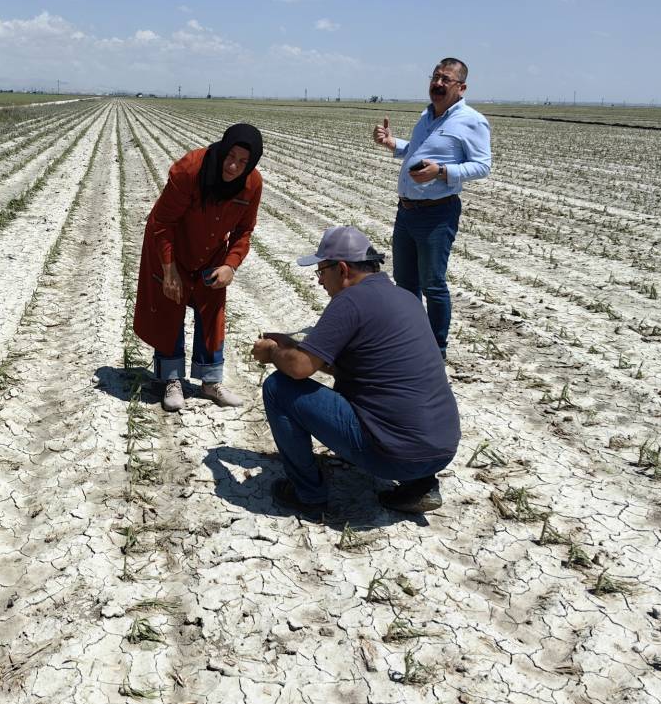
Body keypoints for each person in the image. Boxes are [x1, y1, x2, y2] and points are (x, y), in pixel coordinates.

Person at [251, 226, 460, 516]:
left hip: (393, 455)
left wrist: (273, 352)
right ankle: (420, 486)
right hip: (442, 448)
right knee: (399, 399)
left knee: (278, 387)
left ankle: (308, 494)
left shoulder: (349, 301)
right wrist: (294, 345)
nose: (320, 281)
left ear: (343, 269)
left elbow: (299, 369)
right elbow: (357, 366)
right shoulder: (406, 298)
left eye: (322, 271)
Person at [134, 123, 264, 411]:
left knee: (212, 310)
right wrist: (169, 271)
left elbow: (244, 231)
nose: (233, 166)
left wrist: (231, 264)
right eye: (230, 157)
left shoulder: (252, 184)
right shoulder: (190, 170)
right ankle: (171, 379)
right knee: (170, 308)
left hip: (211, 254)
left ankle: (209, 381)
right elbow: (162, 224)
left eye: (243, 162)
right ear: (222, 150)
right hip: (170, 250)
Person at [372, 58, 491, 359]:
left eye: (446, 80)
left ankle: (436, 351)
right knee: (405, 282)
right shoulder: (426, 116)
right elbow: (417, 151)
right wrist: (392, 143)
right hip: (407, 211)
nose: (437, 84)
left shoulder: (471, 120)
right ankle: (411, 341)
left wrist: (441, 171)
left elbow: (482, 166)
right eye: (435, 77)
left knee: (433, 285)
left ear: (461, 87)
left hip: (437, 214)